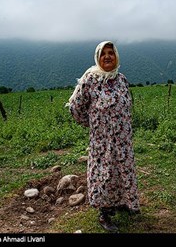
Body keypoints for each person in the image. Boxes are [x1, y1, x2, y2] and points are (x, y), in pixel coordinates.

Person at [65, 41, 140, 233]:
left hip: (123, 139)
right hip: (102, 141)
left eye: (111, 53)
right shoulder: (90, 79)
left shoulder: (122, 79)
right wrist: (91, 125)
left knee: (122, 170)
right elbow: (75, 106)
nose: (107, 56)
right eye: (103, 53)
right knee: (104, 175)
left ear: (116, 56)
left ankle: (123, 202)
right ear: (97, 57)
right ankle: (104, 213)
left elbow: (127, 105)